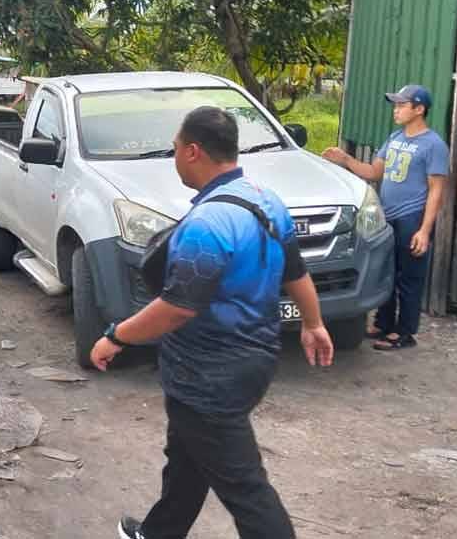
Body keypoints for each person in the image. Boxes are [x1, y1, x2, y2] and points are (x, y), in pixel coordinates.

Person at [90, 106, 334, 539]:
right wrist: (313, 323)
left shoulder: (206, 224)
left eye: (175, 148)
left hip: (207, 373)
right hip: (254, 358)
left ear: (193, 151)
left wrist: (116, 336)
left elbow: (177, 308)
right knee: (187, 453)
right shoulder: (267, 201)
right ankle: (158, 533)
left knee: (245, 487)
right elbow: (296, 272)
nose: (174, 157)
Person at [322, 84, 448, 350]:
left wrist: (424, 230)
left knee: (409, 277)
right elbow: (373, 172)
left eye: (402, 105)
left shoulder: (434, 145)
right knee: (386, 272)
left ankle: (405, 332)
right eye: (396, 105)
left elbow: (436, 190)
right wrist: (345, 159)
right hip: (387, 216)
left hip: (412, 217)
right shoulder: (394, 138)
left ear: (419, 109)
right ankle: (383, 323)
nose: (396, 110)